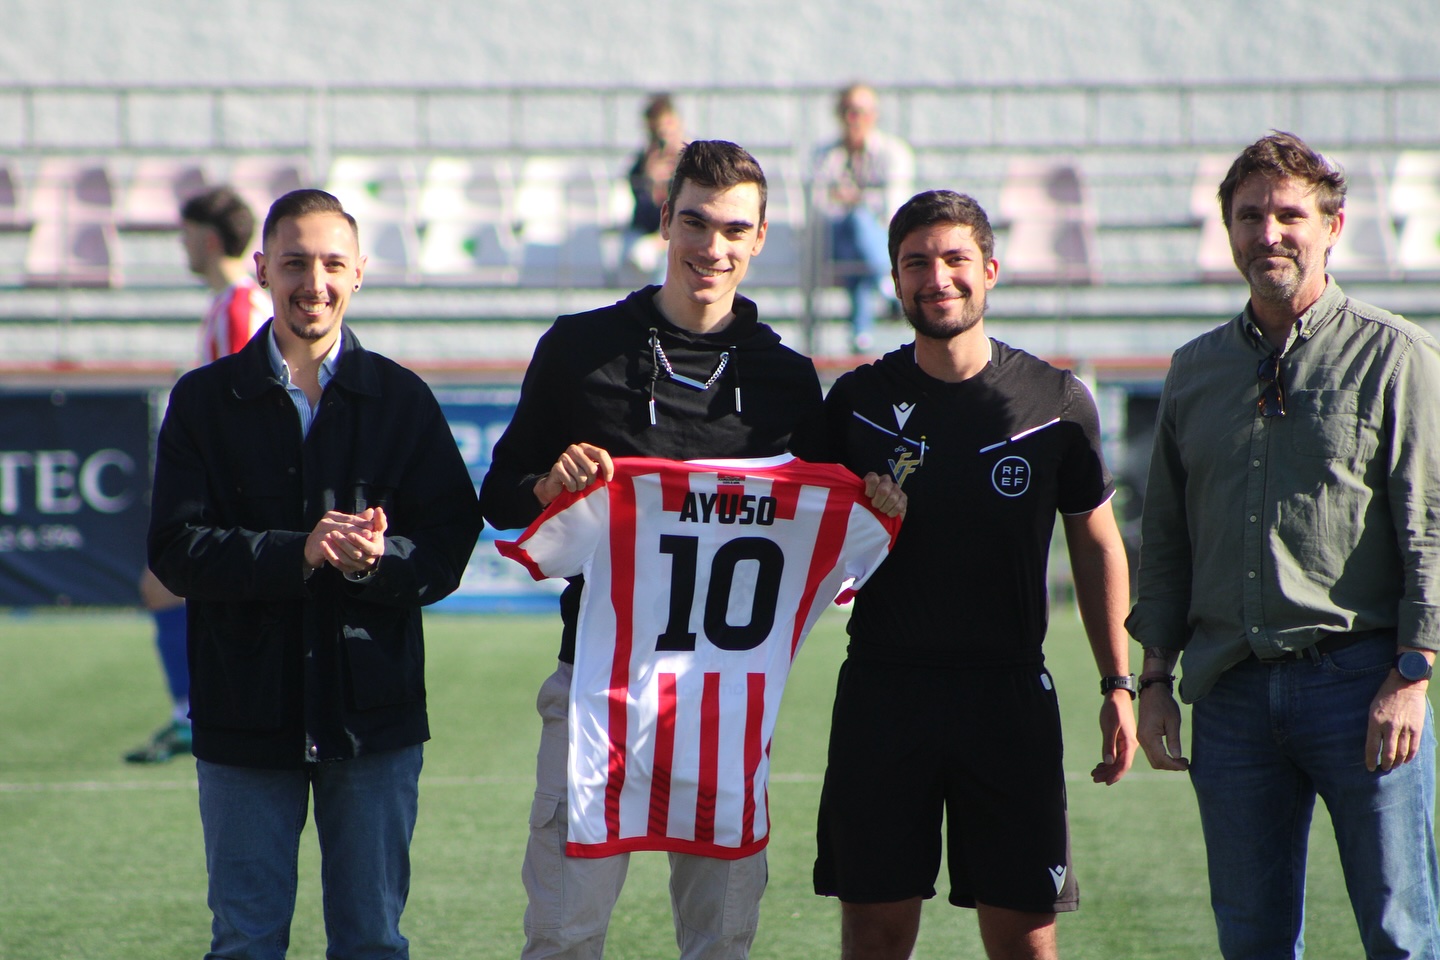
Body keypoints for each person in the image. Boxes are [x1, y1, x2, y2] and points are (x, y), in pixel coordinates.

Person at [478, 139, 901, 960]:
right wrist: (546, 485)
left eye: (734, 229)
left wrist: (875, 512)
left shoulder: (785, 379)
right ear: (665, 220)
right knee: (564, 936)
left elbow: (817, 524)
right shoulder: (579, 349)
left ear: (760, 238)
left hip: (728, 707)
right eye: (697, 222)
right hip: (597, 688)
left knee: (721, 944)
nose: (713, 247)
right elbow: (498, 498)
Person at [1126, 131, 1440, 959]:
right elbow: (1165, 542)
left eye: (1289, 214)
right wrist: (1153, 679)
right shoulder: (1193, 372)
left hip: (1362, 688)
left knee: (1401, 935)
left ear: (1332, 225)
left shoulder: (1396, 356)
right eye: (1250, 215)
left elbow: (1429, 528)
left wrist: (1412, 675)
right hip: (1230, 696)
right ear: (1227, 229)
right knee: (1253, 943)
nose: (1270, 232)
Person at [147, 188, 482, 959]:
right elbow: (174, 549)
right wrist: (299, 550)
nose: (315, 282)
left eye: (333, 263)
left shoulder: (400, 399)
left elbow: (447, 544)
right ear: (262, 268)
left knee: (371, 943)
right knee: (246, 944)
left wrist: (376, 564)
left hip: (372, 724)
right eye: (295, 262)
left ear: (360, 273)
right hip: (242, 719)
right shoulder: (204, 401)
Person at [811, 189, 1137, 960]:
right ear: (894, 279)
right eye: (916, 262)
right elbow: (807, 542)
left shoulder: (1056, 403)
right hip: (884, 693)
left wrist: (1118, 683)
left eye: (955, 259)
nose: (937, 277)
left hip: (1008, 696)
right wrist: (863, 520)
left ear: (990, 270)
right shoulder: (855, 406)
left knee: (1025, 938)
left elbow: (1097, 545)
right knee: (874, 934)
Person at [125, 185, 270, 764]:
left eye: (184, 234)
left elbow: (242, 400)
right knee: (170, 588)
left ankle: (196, 713)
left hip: (226, 482)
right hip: (229, 478)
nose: (180, 246)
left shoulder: (238, 305)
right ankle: (193, 711)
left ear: (208, 239)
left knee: (165, 584)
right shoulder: (235, 302)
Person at [810, 83, 914, 354]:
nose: (854, 119)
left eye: (861, 112)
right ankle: (887, 287)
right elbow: (817, 208)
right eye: (847, 111)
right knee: (853, 234)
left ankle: (860, 336)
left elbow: (894, 211)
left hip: (878, 240)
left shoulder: (893, 153)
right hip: (836, 240)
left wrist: (855, 201)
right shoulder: (824, 155)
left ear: (874, 116)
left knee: (858, 238)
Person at [622, 93, 686, 279]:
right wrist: (650, 182)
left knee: (665, 263)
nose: (663, 140)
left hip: (676, 235)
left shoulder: (693, 161)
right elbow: (642, 209)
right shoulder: (643, 163)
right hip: (649, 231)